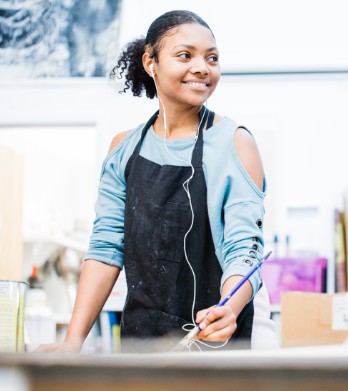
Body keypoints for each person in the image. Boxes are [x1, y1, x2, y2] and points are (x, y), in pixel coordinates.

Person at [36, 10, 276, 352]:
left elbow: (245, 248)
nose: (202, 67)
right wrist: (72, 341)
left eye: (212, 58)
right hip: (144, 336)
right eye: (185, 55)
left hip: (220, 338)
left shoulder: (234, 142)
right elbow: (105, 249)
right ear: (151, 62)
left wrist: (229, 307)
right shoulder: (124, 149)